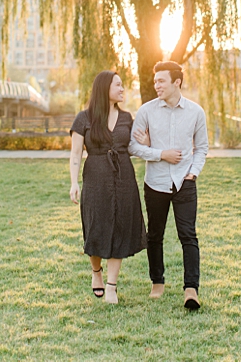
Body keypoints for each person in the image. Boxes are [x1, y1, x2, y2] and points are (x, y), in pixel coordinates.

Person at [129, 61, 209, 310]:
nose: (157, 85)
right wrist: (161, 154)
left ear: (177, 82)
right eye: (155, 81)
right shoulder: (146, 111)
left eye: (161, 81)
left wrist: (193, 173)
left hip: (184, 182)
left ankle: (191, 289)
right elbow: (133, 146)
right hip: (156, 182)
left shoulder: (196, 112)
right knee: (155, 235)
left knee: (188, 235)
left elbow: (202, 147)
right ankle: (157, 282)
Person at [68, 71, 147, 304]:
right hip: (95, 179)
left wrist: (147, 141)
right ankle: (96, 272)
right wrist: (74, 183)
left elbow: (136, 145)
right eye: (118, 85)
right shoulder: (84, 118)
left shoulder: (126, 118)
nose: (123, 89)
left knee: (120, 228)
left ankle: (112, 286)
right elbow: (75, 154)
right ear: (104, 88)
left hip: (123, 179)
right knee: (96, 227)